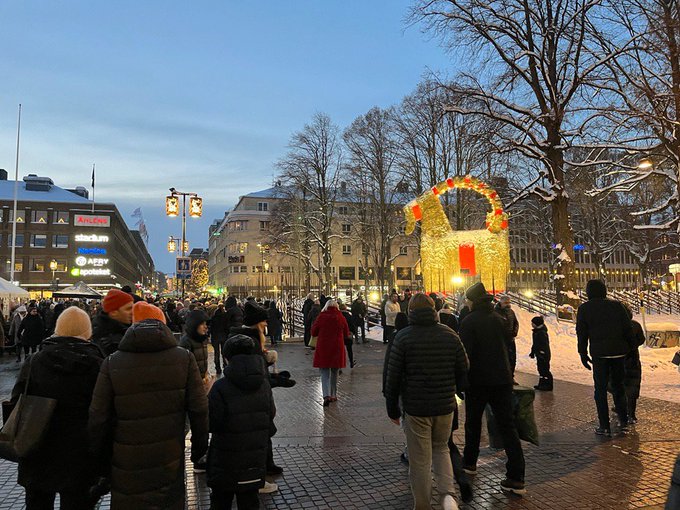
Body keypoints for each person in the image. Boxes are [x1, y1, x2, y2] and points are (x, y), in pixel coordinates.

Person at [88, 303, 209, 510]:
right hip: (169, 456)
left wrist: (101, 462)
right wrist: (198, 451)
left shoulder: (112, 362)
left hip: (126, 459)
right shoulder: (183, 358)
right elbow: (199, 409)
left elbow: (98, 417)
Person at [11, 307, 104, 510]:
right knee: (77, 503)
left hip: (37, 448)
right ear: (88, 331)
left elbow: (17, 401)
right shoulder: (98, 364)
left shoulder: (35, 361)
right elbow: (102, 412)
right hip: (80, 453)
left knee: (37, 504)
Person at [384, 293, 468, 510]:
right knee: (441, 449)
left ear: (410, 311)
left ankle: (422, 505)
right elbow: (464, 367)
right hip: (444, 406)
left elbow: (392, 377)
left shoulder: (403, 337)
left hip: (416, 408)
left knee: (419, 460)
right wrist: (457, 389)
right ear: (433, 309)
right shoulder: (450, 335)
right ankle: (448, 496)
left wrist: (392, 408)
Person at [459, 282, 526, 495]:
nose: (466, 304)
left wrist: (461, 381)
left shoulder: (469, 322)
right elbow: (509, 345)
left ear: (473, 301)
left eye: (467, 301)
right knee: (507, 426)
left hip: (477, 382)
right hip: (501, 380)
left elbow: (464, 356)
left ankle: (470, 463)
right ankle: (516, 476)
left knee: (473, 423)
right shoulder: (500, 319)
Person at [207, 335, 277, 508]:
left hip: (225, 461)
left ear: (227, 358)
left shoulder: (220, 387)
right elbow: (271, 415)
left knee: (220, 503)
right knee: (250, 502)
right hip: (254, 460)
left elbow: (212, 423)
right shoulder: (264, 385)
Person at [228, 301, 288, 479]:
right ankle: (260, 471)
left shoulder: (251, 338)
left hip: (257, 392)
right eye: (264, 321)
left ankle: (267, 464)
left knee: (264, 429)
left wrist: (271, 371)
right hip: (253, 396)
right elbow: (251, 372)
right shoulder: (251, 342)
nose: (267, 324)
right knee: (260, 431)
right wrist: (272, 379)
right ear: (256, 323)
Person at [576, 279, 632, 435]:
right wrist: (630, 350)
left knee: (600, 390)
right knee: (619, 387)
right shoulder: (616, 306)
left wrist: (582, 353)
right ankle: (623, 421)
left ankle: (604, 425)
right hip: (619, 352)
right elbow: (627, 329)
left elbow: (582, 334)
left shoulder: (585, 309)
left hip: (600, 354)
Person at [312, 299, 349, 407]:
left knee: (324, 373)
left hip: (324, 347)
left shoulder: (321, 316)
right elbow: (346, 333)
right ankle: (333, 395)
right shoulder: (341, 317)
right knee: (334, 373)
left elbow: (314, 332)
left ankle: (326, 395)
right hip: (337, 348)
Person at [620, 303, 646, 424]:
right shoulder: (635, 325)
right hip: (633, 360)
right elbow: (641, 339)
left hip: (619, 360)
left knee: (619, 386)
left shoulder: (616, 327)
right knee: (633, 387)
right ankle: (632, 414)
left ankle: (622, 409)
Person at [91, 289, 134, 356]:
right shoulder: (107, 342)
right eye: (128, 309)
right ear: (114, 313)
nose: (132, 312)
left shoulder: (126, 329)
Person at [180, 309, 210, 380]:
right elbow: (184, 366)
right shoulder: (186, 341)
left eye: (205, 324)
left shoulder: (203, 339)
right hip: (192, 381)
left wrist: (206, 373)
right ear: (194, 325)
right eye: (202, 324)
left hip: (202, 379)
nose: (205, 327)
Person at [495, 295, 519, 377]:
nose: (508, 304)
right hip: (502, 340)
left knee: (512, 358)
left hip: (511, 339)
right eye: (505, 303)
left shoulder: (511, 312)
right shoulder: (496, 312)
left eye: (509, 302)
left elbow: (516, 323)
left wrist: (515, 332)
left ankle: (511, 375)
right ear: (501, 303)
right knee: (503, 358)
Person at [529, 316, 553, 391]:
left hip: (543, 355)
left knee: (545, 369)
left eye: (533, 323)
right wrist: (533, 352)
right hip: (539, 354)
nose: (531, 324)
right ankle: (542, 384)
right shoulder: (536, 332)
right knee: (540, 369)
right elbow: (535, 344)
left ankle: (548, 385)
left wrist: (542, 353)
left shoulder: (541, 333)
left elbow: (544, 344)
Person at [209, 303, 228, 375]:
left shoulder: (213, 317)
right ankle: (225, 365)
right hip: (223, 336)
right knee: (224, 352)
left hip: (215, 336)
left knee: (216, 353)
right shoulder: (225, 316)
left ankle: (218, 368)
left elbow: (211, 328)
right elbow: (227, 327)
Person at [339, 303, 356, 368]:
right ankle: (351, 362)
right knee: (349, 349)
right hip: (348, 335)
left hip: (340, 335)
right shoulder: (349, 316)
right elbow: (352, 325)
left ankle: (340, 365)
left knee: (340, 350)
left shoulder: (338, 316)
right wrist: (352, 333)